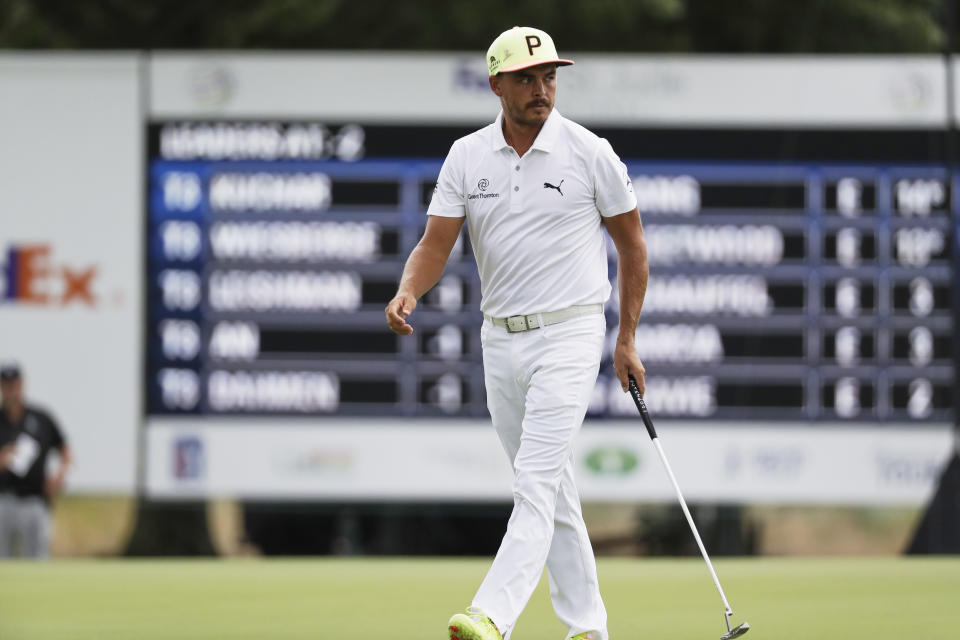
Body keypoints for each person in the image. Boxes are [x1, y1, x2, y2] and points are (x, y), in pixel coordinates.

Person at [385, 26, 648, 640]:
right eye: (527, 78)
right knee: (550, 487)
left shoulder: (590, 152)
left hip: (571, 333)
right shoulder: (467, 155)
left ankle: (491, 616)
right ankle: (589, 628)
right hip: (500, 339)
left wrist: (626, 338)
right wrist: (407, 290)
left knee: (534, 481)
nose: (542, 89)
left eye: (550, 76)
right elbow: (435, 244)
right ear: (496, 83)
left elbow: (633, 247)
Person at [0, 363, 73, 558]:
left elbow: (65, 451)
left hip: (35, 500)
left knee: (38, 558)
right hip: (4, 500)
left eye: (14, 385)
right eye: (6, 386)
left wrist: (59, 476)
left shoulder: (41, 418)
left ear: (22, 385)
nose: (10, 391)